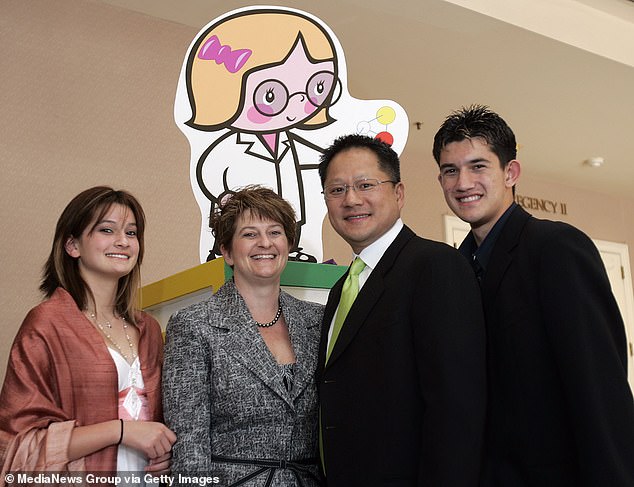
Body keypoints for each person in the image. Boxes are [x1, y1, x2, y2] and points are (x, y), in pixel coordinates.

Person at [433, 104, 634, 486]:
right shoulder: (453, 269)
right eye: (450, 170)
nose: (463, 183)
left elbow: (600, 390)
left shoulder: (556, 248)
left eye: (478, 166)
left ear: (510, 172)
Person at [317, 134, 486, 486]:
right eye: (337, 190)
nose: (351, 200)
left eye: (365, 185)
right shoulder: (340, 289)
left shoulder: (436, 266)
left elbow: (456, 410)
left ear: (398, 193)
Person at [0, 186, 175, 479]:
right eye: (107, 230)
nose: (123, 241)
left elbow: (164, 422)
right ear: (73, 246)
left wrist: (167, 451)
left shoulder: (149, 330)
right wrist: (120, 431)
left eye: (131, 233)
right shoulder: (46, 324)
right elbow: (16, 445)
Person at [162, 185, 324, 485]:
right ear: (227, 251)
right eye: (249, 234)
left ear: (288, 244)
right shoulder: (194, 324)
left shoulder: (318, 320)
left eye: (275, 232)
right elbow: (188, 442)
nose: (265, 243)